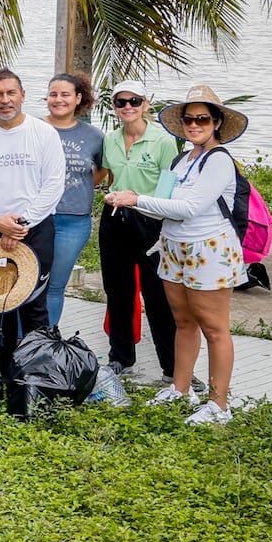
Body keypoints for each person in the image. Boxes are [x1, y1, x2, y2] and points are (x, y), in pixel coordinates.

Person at [107, 86, 249, 425]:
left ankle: (219, 405)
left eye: (202, 118)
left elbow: (189, 207)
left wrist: (135, 198)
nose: (194, 124)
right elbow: (164, 207)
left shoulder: (219, 161)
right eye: (188, 118)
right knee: (183, 322)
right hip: (174, 247)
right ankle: (180, 389)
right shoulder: (181, 158)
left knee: (214, 328)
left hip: (209, 249)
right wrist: (127, 200)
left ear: (216, 122)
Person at [0, 69, 65, 376]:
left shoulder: (44, 134)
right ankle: (4, 372)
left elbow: (53, 186)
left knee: (35, 305)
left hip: (36, 228)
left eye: (10, 93)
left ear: (23, 95)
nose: (4, 100)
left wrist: (20, 224)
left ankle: (38, 375)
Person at [99, 79, 179, 381]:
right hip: (115, 218)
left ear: (146, 104)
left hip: (149, 221)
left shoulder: (162, 142)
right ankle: (120, 358)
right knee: (118, 291)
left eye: (134, 101)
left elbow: (167, 191)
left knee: (157, 294)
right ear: (114, 107)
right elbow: (111, 176)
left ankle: (172, 367)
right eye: (121, 102)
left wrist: (141, 203)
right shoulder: (111, 140)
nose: (128, 107)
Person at [43, 73, 107, 327]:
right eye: (53, 94)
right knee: (27, 281)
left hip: (73, 221)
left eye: (65, 94)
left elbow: (103, 170)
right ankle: (17, 341)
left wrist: (77, 188)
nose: (58, 100)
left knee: (55, 285)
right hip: (36, 219)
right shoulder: (33, 128)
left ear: (78, 98)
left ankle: (43, 343)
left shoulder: (93, 136)